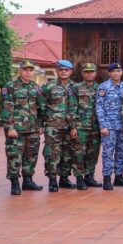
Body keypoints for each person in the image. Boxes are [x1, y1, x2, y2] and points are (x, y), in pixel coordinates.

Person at [0, 60, 44, 195]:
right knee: (14, 156)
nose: (28, 73)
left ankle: (28, 181)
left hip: (33, 129)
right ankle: (14, 183)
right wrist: (10, 127)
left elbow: (41, 107)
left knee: (31, 156)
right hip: (16, 130)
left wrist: (40, 125)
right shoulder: (10, 86)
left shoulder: (36, 87)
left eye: (30, 70)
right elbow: (5, 108)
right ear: (20, 70)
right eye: (25, 70)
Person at [40, 59, 78, 192]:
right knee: (52, 153)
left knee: (68, 153)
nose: (63, 72)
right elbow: (41, 106)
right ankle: (52, 180)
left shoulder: (75, 87)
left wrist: (74, 126)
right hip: (53, 126)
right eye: (61, 70)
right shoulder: (48, 86)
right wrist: (42, 124)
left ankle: (64, 178)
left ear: (71, 72)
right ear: (57, 71)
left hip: (69, 127)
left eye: (66, 70)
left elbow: (76, 108)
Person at [96, 63, 123, 190]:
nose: (116, 73)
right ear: (109, 73)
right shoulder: (103, 87)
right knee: (108, 153)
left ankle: (119, 177)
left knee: (122, 152)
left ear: (121, 72)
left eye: (118, 71)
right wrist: (103, 126)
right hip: (109, 126)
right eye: (113, 71)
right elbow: (99, 107)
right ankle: (107, 178)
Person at [71, 63, 102, 188]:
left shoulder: (100, 88)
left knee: (93, 153)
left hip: (96, 126)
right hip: (81, 126)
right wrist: (73, 126)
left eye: (92, 72)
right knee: (79, 153)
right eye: (86, 72)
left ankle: (89, 177)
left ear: (95, 73)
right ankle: (79, 178)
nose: (89, 74)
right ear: (83, 73)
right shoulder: (76, 88)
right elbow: (72, 107)